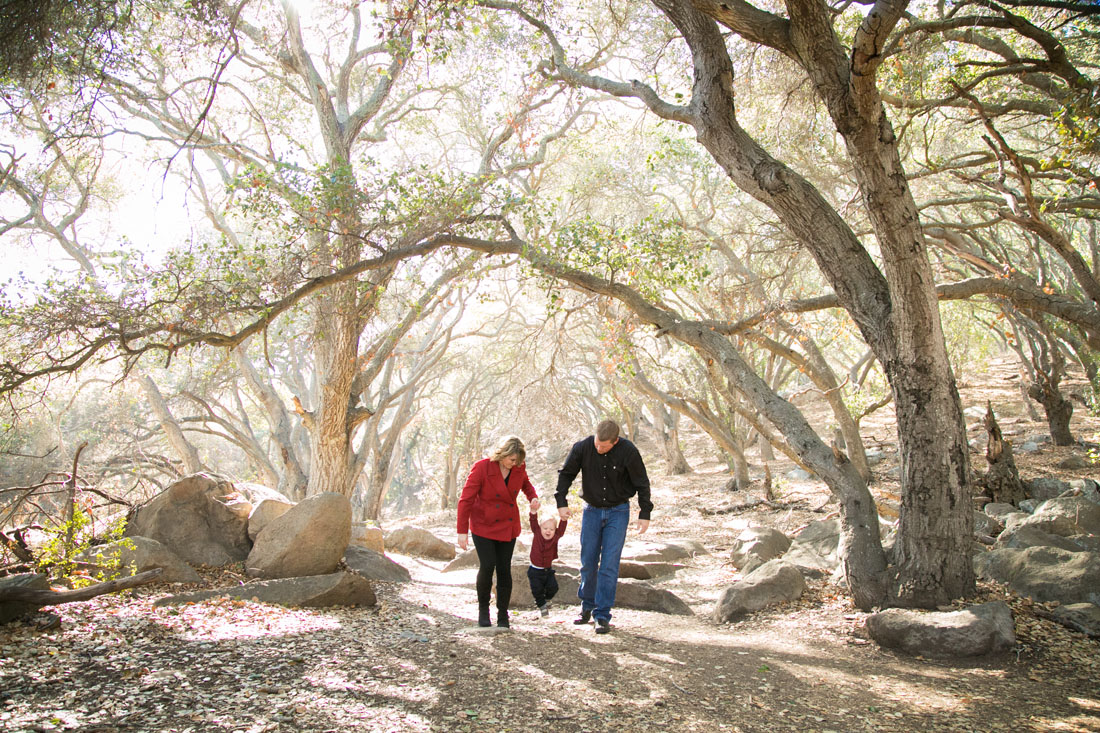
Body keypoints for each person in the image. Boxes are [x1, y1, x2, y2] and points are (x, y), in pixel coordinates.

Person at [555, 419, 652, 634]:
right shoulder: (583, 447)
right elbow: (566, 474)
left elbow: (642, 482)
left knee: (609, 564)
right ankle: (586, 606)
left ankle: (602, 614)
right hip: (592, 510)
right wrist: (561, 502)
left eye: (604, 446)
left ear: (615, 441)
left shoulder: (628, 451)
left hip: (618, 512)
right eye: (597, 443)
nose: (599, 448)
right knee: (588, 561)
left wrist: (644, 513)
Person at [457, 435, 540, 628]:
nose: (515, 464)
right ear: (503, 453)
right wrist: (462, 531)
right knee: (487, 566)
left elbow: (526, 483)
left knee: (504, 568)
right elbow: (466, 499)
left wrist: (532, 497)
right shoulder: (482, 467)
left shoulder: (519, 467)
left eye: (518, 461)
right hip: (483, 525)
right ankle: (483, 611)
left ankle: (503, 614)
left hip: (507, 525)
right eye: (512, 460)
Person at [527, 509, 567, 617]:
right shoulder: (537, 533)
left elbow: (561, 530)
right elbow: (533, 522)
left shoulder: (555, 537)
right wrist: (533, 512)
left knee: (553, 587)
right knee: (537, 590)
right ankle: (542, 606)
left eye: (551, 529)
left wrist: (563, 520)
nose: (548, 531)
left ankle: (547, 599)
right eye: (545, 528)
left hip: (547, 570)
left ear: (555, 530)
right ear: (540, 528)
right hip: (535, 570)